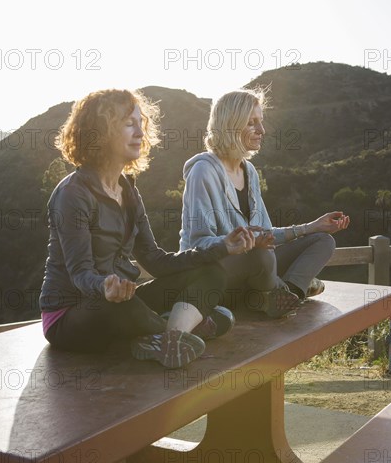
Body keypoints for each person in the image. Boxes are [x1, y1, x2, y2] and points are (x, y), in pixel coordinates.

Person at [39, 89, 255, 368]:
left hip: (123, 298)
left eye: (141, 124)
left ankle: (166, 337)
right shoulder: (72, 194)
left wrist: (222, 247)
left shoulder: (127, 190)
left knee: (211, 272)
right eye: (129, 124)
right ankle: (174, 330)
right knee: (121, 307)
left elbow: (156, 260)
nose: (140, 132)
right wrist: (105, 287)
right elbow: (80, 273)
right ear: (100, 131)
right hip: (72, 315)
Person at [179, 88, 350, 318]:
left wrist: (312, 227)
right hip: (214, 274)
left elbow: (266, 235)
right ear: (231, 125)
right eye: (252, 123)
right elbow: (197, 244)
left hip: (256, 268)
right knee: (261, 254)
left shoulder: (249, 172)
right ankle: (277, 291)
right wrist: (243, 241)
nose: (262, 130)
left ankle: (286, 295)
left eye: (261, 121)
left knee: (323, 241)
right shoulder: (203, 171)